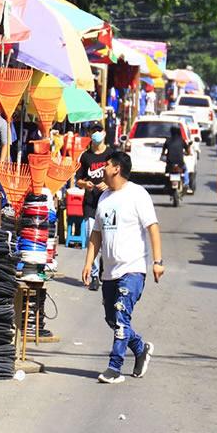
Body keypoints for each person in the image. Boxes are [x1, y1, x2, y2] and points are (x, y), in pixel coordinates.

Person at [80, 152, 165, 384]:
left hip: (133, 268)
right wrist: (89, 263)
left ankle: (114, 367)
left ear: (116, 169)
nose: (103, 169)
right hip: (110, 270)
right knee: (113, 319)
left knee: (120, 315)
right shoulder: (104, 197)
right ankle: (140, 348)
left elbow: (153, 228)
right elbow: (96, 234)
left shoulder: (138, 194)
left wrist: (157, 262)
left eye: (107, 165)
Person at [77, 128, 112, 290]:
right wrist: (86, 184)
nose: (96, 134)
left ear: (104, 133)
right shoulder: (85, 157)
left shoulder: (111, 155)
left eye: (99, 131)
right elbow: (78, 180)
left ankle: (104, 264)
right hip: (90, 203)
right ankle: (94, 274)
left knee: (107, 239)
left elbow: (121, 177)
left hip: (108, 203)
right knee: (92, 238)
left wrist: (109, 183)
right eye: (93, 132)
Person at [163, 125, 190, 194]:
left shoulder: (168, 140)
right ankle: (186, 183)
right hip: (180, 164)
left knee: (166, 172)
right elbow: (188, 151)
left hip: (170, 164)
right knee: (185, 170)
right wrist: (187, 153)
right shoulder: (182, 141)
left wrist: (163, 155)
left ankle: (166, 184)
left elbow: (163, 152)